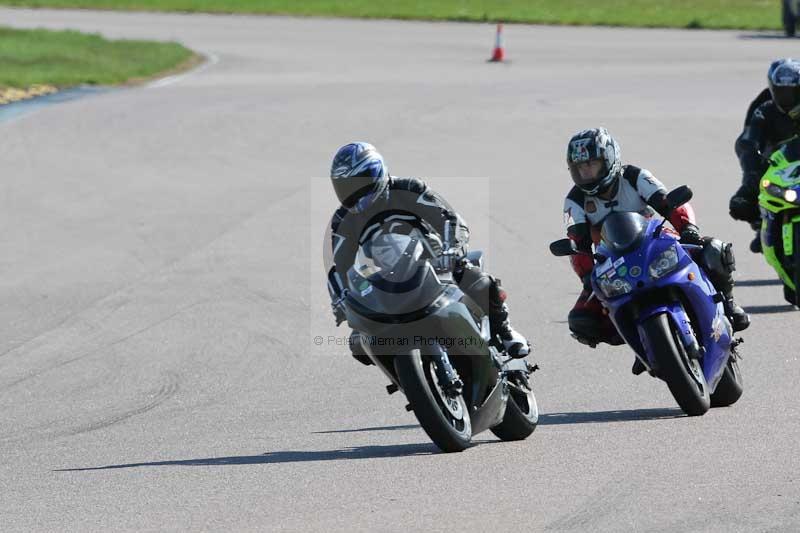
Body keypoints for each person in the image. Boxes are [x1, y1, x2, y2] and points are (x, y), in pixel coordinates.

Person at [561, 128, 750, 373]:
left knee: (714, 249)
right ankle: (643, 339)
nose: (586, 173)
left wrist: (688, 229)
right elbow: (577, 243)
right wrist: (587, 276)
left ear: (609, 159)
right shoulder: (574, 200)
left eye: (592, 165)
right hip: (614, 260)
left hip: (656, 242)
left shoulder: (633, 176)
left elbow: (668, 202)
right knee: (581, 320)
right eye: (579, 168)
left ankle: (730, 304)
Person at [326, 141, 530, 365]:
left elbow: (449, 219)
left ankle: (505, 331)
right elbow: (340, 266)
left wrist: (451, 248)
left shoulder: (409, 189)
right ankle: (407, 376)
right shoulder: (343, 220)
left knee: (477, 279)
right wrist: (342, 298)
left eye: (360, 183)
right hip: (387, 284)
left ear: (377, 172)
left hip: (435, 263)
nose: (354, 194)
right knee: (359, 342)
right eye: (346, 188)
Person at [731, 58, 800, 253]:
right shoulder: (765, 109)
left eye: (793, 91)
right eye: (782, 92)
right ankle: (765, 221)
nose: (788, 97)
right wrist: (749, 184)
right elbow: (747, 142)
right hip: (779, 165)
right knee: (744, 202)